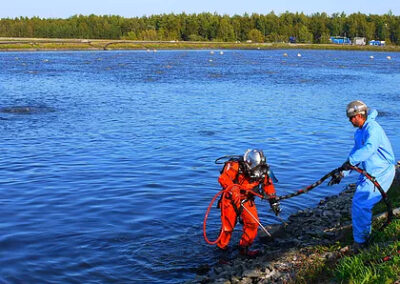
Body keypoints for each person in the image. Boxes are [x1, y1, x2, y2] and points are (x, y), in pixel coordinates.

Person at [328, 100, 396, 250]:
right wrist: (342, 172)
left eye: (353, 117)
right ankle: (361, 237)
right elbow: (356, 153)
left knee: (361, 204)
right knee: (360, 203)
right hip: (370, 172)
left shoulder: (373, 128)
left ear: (360, 115)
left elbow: (369, 148)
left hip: (381, 171)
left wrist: (351, 161)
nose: (350, 120)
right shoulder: (359, 131)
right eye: (349, 117)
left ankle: (361, 242)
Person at [217, 149, 281, 257]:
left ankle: (244, 249)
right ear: (248, 163)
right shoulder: (235, 165)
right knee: (227, 227)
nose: (255, 172)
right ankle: (221, 251)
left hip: (247, 200)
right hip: (230, 200)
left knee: (253, 224)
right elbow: (223, 178)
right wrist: (233, 189)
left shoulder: (264, 171)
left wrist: (273, 202)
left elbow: (268, 186)